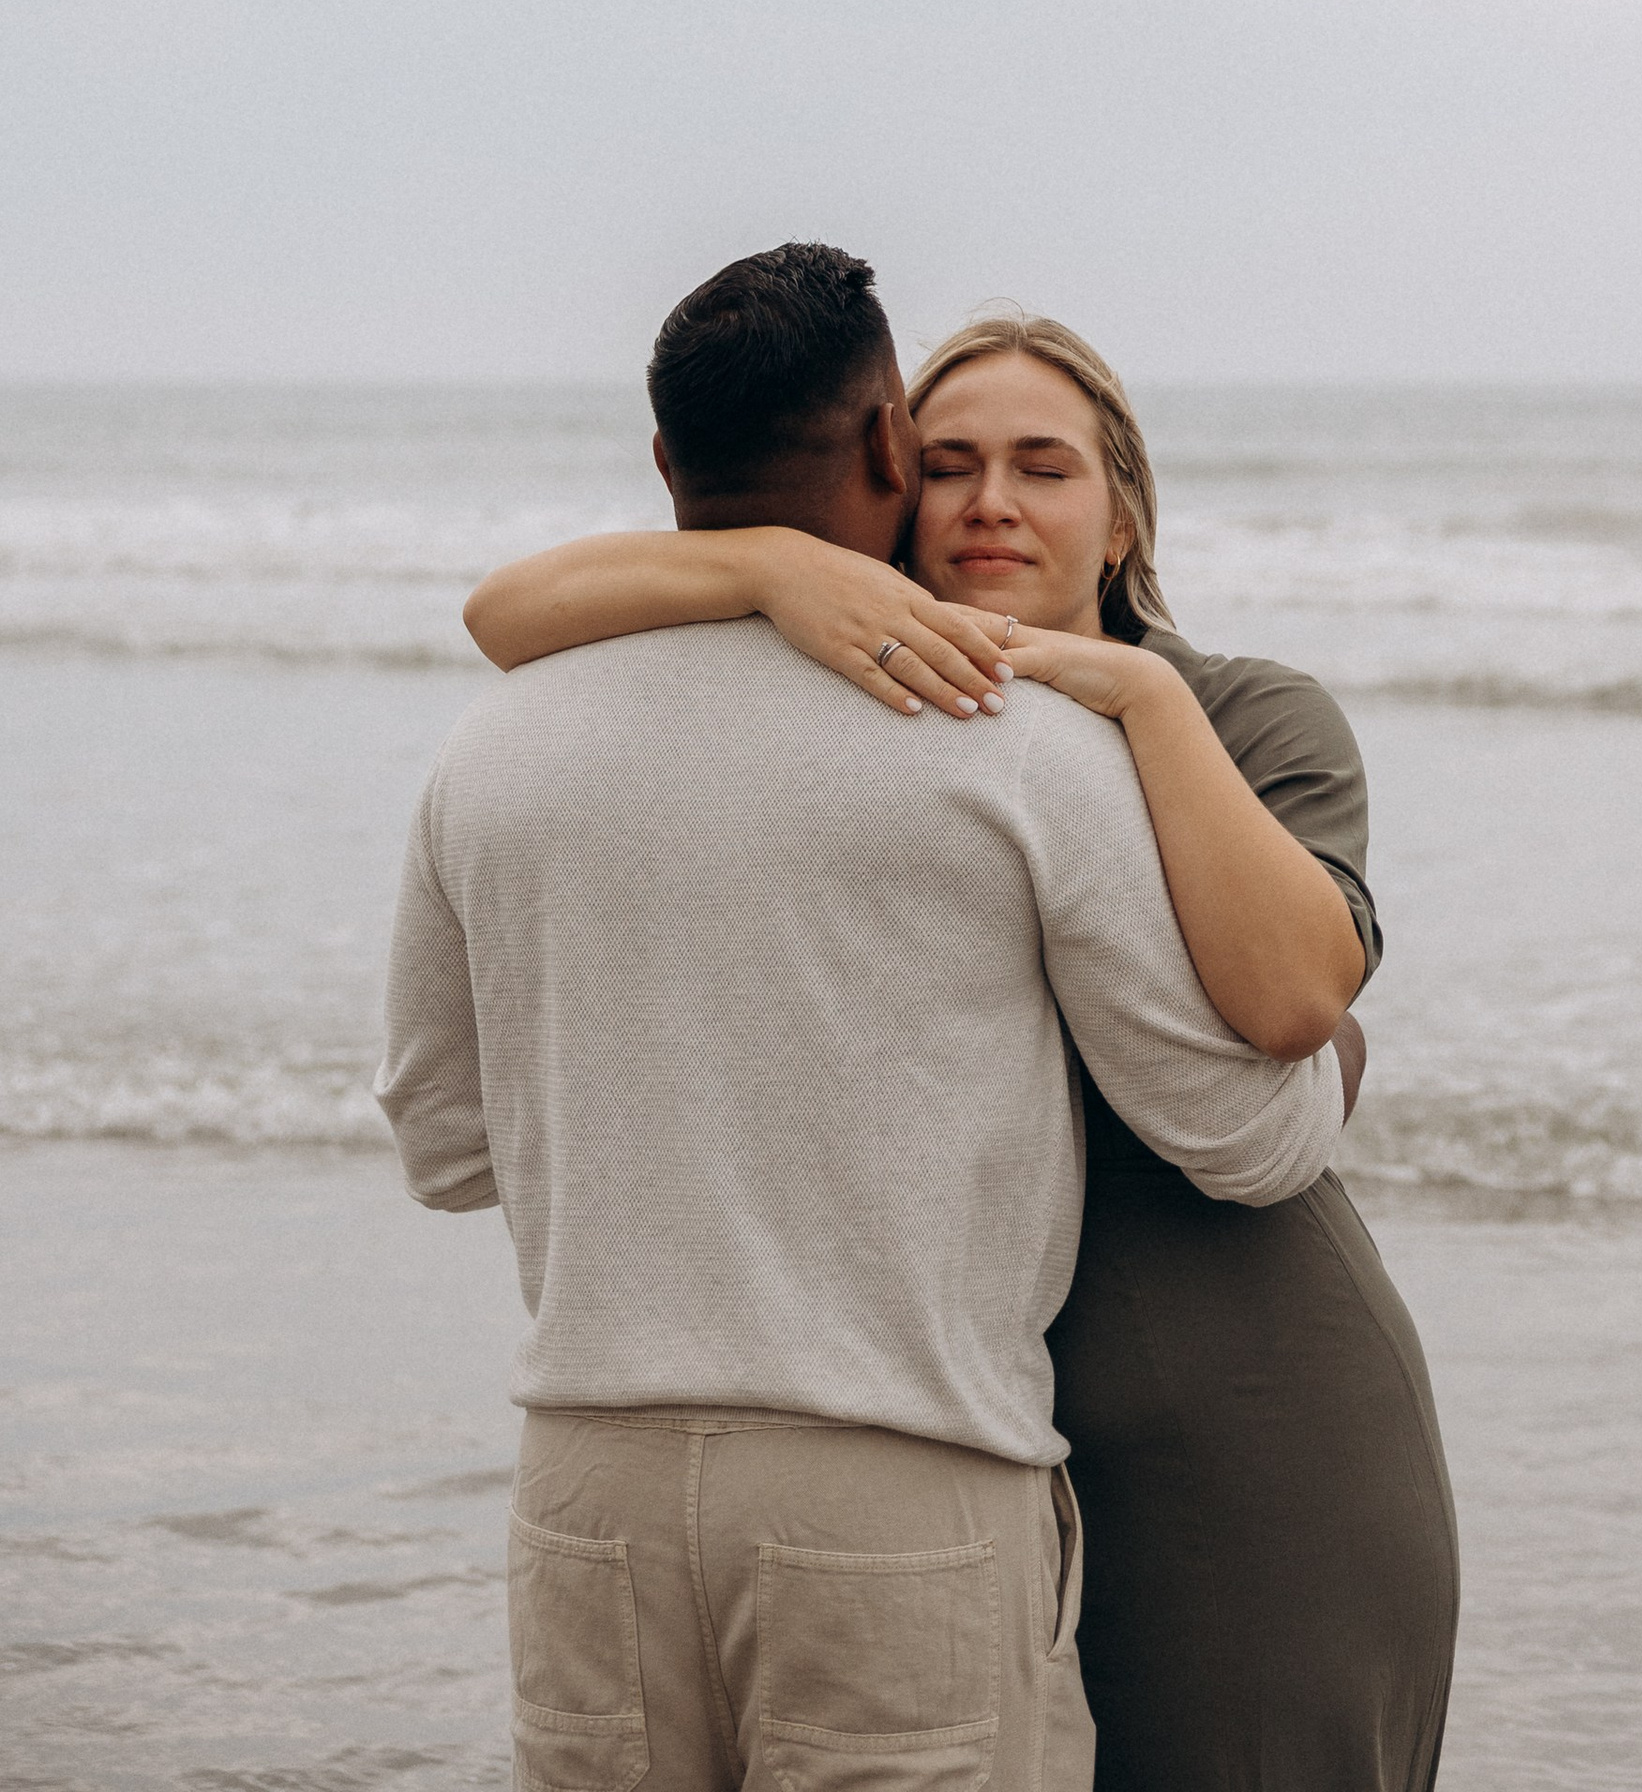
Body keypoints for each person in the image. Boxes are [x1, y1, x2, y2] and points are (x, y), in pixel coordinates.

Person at [380, 243, 1344, 1792]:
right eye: (948, 456)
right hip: (898, 1485)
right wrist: (1327, 1070)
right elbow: (1245, 1137)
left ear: (659, 465)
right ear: (890, 448)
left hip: (585, 1488)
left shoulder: (492, 746)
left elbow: (442, 1145)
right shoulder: (1009, 733)